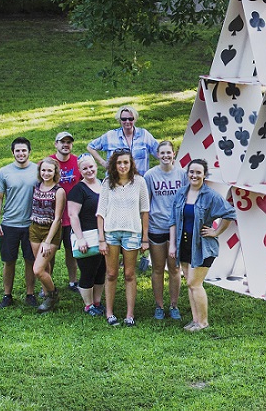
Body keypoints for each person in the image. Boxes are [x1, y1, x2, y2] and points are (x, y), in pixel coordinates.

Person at [170, 159, 236, 332]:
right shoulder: (181, 193)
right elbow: (173, 220)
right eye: (192, 172)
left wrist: (216, 232)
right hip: (183, 243)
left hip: (202, 246)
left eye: (198, 172)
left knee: (194, 283)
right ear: (187, 173)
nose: (194, 175)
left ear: (205, 175)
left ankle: (203, 322)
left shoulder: (211, 196)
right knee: (190, 284)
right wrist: (172, 245)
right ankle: (195, 320)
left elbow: (230, 213)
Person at [97, 149, 150, 326]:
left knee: (129, 274)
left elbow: (145, 211)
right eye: (119, 163)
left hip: (132, 233)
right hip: (111, 232)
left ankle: (130, 314)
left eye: (126, 162)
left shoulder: (140, 182)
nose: (122, 166)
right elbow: (100, 213)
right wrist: (101, 239)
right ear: (114, 164)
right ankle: (110, 313)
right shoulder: (107, 183)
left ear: (131, 164)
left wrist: (145, 238)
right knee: (111, 274)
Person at [0, 137, 38, 308]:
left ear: (29, 152)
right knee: (9, 260)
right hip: (9, 223)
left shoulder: (37, 170)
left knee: (30, 260)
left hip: (31, 224)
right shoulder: (4, 172)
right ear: (13, 152)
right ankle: (7, 295)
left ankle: (30, 294)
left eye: (24, 150)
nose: (21, 153)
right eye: (17, 151)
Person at [144, 141, 186, 320]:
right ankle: (159, 306)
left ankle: (174, 305)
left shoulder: (182, 174)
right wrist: (144, 233)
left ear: (174, 154)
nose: (166, 156)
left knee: (175, 268)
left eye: (169, 153)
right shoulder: (150, 175)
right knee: (158, 268)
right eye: (162, 153)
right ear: (157, 154)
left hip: (176, 228)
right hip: (157, 226)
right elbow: (146, 203)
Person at [68, 155, 106, 317]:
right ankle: (88, 305)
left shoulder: (104, 184)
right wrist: (80, 238)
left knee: (101, 270)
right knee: (88, 271)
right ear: (80, 171)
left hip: (103, 236)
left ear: (96, 166)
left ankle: (97, 302)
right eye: (85, 168)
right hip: (86, 236)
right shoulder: (78, 190)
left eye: (91, 167)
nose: (89, 170)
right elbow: (73, 215)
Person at [29, 157, 67, 312]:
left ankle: (52, 295)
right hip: (34, 229)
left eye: (49, 170)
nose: (46, 173)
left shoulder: (59, 191)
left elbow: (58, 218)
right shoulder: (36, 187)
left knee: (37, 269)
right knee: (46, 267)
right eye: (43, 170)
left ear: (55, 172)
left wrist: (48, 241)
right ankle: (46, 297)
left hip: (51, 231)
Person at [50, 131, 82, 294]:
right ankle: (48, 283)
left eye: (69, 142)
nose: (65, 144)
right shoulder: (48, 162)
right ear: (56, 144)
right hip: (52, 217)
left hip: (72, 217)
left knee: (72, 251)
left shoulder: (78, 162)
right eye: (62, 142)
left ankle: (73, 281)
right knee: (51, 251)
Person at [87, 105, 160, 175]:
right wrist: (103, 163)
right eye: (124, 119)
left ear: (135, 119)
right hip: (115, 182)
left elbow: (160, 152)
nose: (127, 121)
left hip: (139, 180)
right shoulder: (110, 136)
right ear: (120, 120)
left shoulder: (144, 135)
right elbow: (91, 147)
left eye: (130, 119)